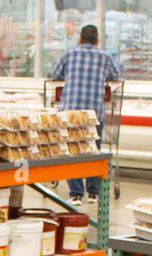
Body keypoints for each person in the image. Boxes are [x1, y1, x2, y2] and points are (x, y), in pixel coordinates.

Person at [51, 24, 118, 204]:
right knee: (92, 150)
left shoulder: (69, 53)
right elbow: (114, 75)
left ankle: (75, 193)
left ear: (79, 38)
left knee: (72, 151)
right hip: (94, 112)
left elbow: (55, 73)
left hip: (71, 111)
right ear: (97, 40)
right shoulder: (105, 56)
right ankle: (93, 192)